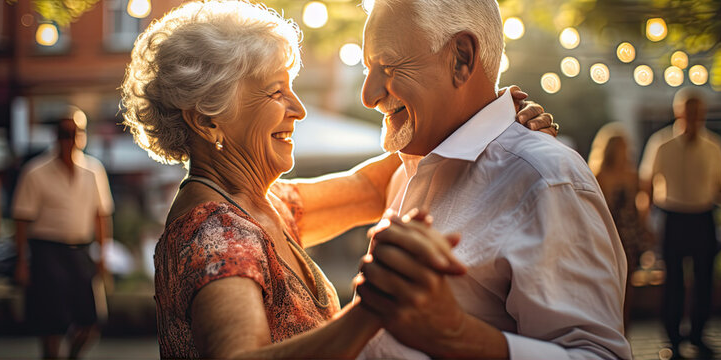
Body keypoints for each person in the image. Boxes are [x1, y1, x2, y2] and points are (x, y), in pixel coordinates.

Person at [119, 1, 556, 358]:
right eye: (276, 91)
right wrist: (371, 311)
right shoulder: (217, 232)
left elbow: (369, 188)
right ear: (207, 121)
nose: (298, 108)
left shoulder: (257, 205)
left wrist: (485, 120)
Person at [353, 0, 631, 359]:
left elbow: (600, 355)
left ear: (462, 58)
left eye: (388, 66)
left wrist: (455, 335)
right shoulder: (407, 173)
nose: (368, 95)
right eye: (367, 69)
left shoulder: (544, 180)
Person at [639, 88, 721, 359]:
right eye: (690, 110)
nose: (695, 115)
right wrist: (646, 221)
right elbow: (646, 185)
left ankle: (698, 336)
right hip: (673, 217)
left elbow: (719, 186)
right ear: (679, 112)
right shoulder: (660, 143)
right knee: (673, 282)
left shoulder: (715, 145)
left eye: (699, 110)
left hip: (703, 217)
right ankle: (673, 341)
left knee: (705, 281)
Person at [12, 116, 114, 359]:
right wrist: (21, 261)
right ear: (56, 137)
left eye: (76, 132)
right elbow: (21, 220)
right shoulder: (35, 172)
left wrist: (102, 254)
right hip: (46, 250)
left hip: (80, 249)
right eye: (65, 133)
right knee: (51, 323)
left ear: (83, 136)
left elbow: (101, 215)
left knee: (91, 320)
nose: (71, 139)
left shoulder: (94, 170)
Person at [588, 122, 654, 331]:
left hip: (630, 235)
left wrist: (645, 228)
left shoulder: (633, 174)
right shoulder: (598, 175)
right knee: (607, 287)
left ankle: (624, 335)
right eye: (620, 146)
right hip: (607, 234)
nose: (625, 150)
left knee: (628, 288)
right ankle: (608, 333)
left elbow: (641, 204)